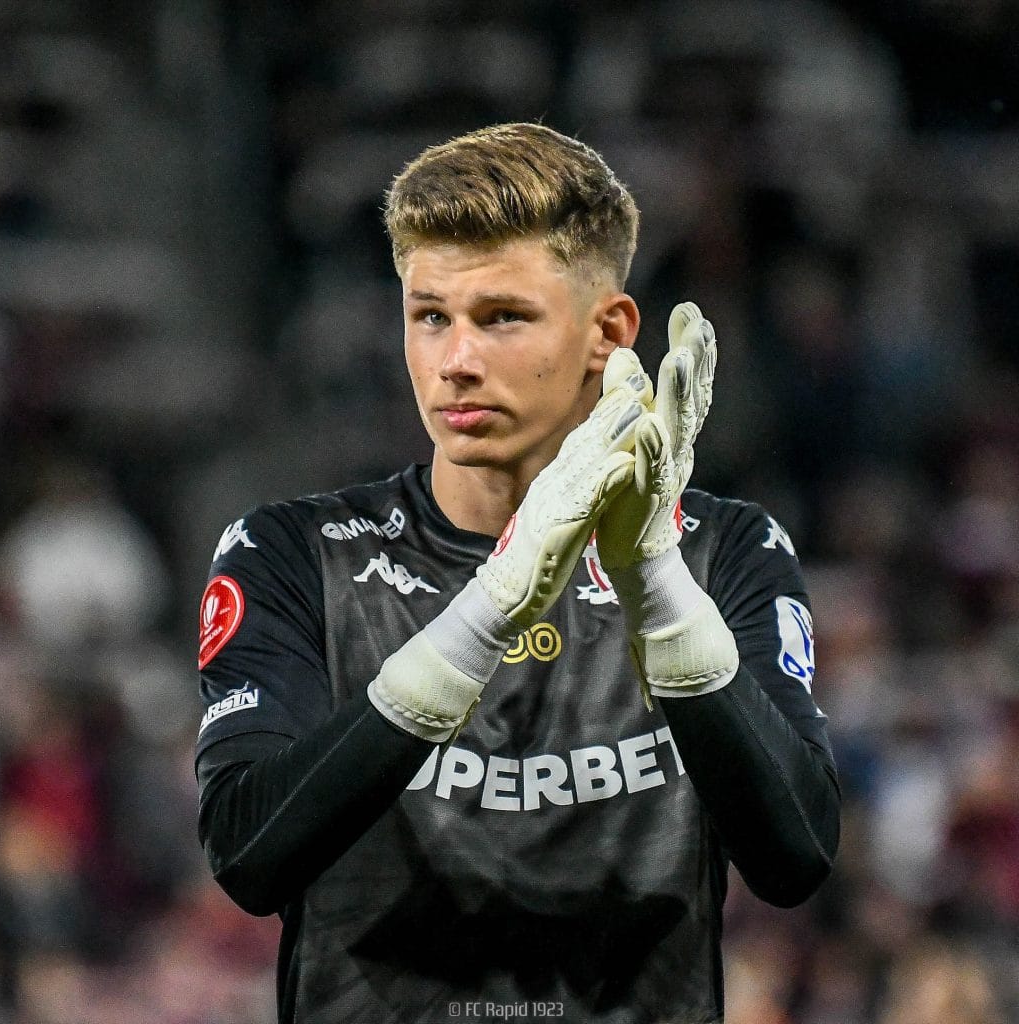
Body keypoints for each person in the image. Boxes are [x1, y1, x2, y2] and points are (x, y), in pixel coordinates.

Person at [194, 123, 840, 1024]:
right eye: (430, 317)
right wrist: (487, 608)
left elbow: (795, 858)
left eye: (503, 317)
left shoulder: (720, 553)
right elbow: (249, 857)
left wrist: (656, 585)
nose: (456, 362)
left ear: (608, 333)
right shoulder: (295, 552)